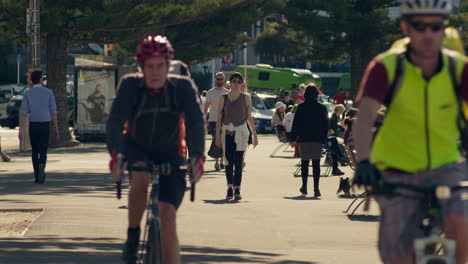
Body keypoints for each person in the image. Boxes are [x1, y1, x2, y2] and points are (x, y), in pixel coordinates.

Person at [353, 1, 468, 263]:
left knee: (462, 219)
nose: (428, 34)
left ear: (444, 29)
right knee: (398, 255)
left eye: (436, 26)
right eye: (420, 26)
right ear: (405, 27)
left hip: (446, 166)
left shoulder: (459, 68)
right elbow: (365, 116)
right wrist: (364, 162)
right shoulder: (386, 66)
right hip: (396, 168)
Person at [106, 35, 205, 264]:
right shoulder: (131, 85)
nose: (156, 72)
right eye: (149, 66)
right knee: (140, 178)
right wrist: (116, 156)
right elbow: (115, 122)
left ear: (169, 66)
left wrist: (197, 158)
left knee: (168, 216)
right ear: (141, 68)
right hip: (137, 148)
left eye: (161, 65)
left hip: (172, 153)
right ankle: (132, 236)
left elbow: (195, 123)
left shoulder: (182, 87)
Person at [215, 72, 258, 200]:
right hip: (227, 134)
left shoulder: (246, 98)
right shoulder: (224, 98)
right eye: (234, 81)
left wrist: (254, 136)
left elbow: (249, 118)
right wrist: (217, 136)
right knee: (228, 162)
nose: (236, 83)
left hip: (241, 135)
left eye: (239, 82)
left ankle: (237, 188)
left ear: (242, 84)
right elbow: (219, 118)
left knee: (239, 163)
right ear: (230, 83)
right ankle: (229, 187)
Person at [18, 70, 59, 184]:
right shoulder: (49, 92)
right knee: (43, 149)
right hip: (45, 124)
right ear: (41, 79)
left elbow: (23, 113)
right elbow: (53, 112)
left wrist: (21, 129)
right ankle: (42, 163)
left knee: (35, 150)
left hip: (34, 125)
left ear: (31, 80)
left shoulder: (28, 93)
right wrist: (56, 128)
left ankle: (37, 176)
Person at [290, 83, 329, 197]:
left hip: (304, 139)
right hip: (317, 139)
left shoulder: (301, 107)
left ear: (305, 94)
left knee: (305, 163)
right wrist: (324, 138)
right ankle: (316, 188)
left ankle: (304, 187)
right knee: (316, 164)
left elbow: (296, 124)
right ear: (316, 94)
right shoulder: (322, 108)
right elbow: (326, 125)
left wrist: (293, 139)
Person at [204, 72, 229, 170]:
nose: (219, 80)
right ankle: (217, 161)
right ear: (215, 80)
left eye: (221, 79)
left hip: (225, 120)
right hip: (213, 120)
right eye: (217, 79)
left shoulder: (228, 92)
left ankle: (222, 161)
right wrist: (203, 119)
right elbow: (206, 108)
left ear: (224, 80)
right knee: (216, 140)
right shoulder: (210, 92)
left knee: (224, 140)